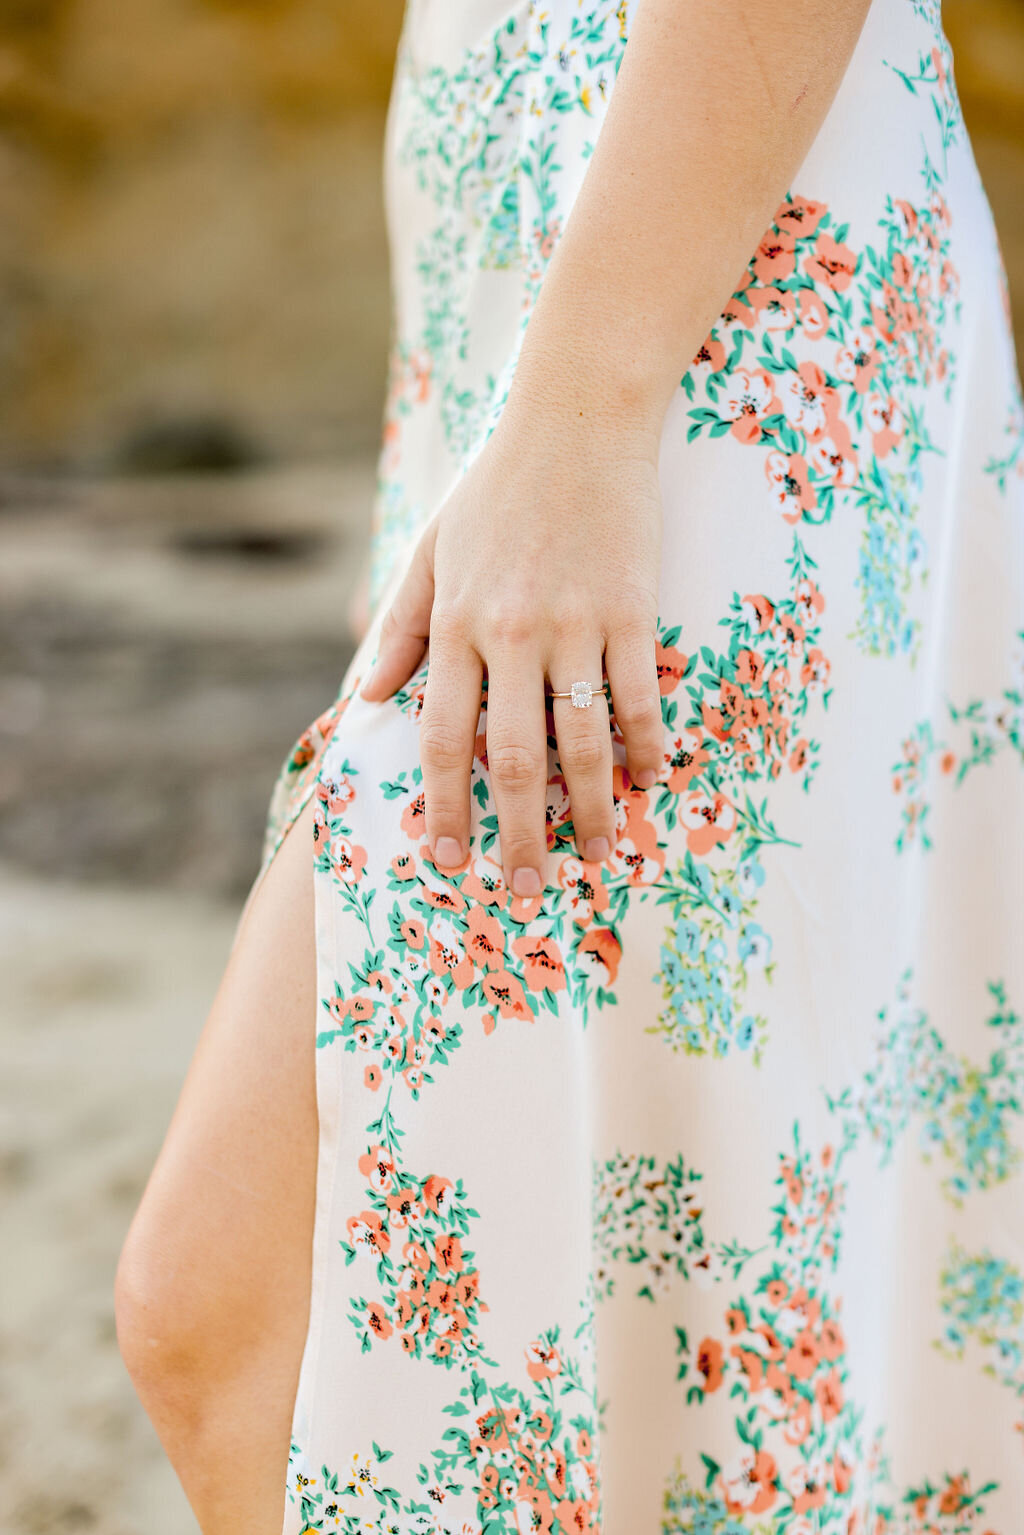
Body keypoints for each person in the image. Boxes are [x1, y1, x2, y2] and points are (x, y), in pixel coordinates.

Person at [115, 1, 1024, 1530]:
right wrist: (464, 449)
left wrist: (585, 407)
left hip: (707, 330)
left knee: (241, 1318)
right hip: (572, 329)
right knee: (658, 1375)